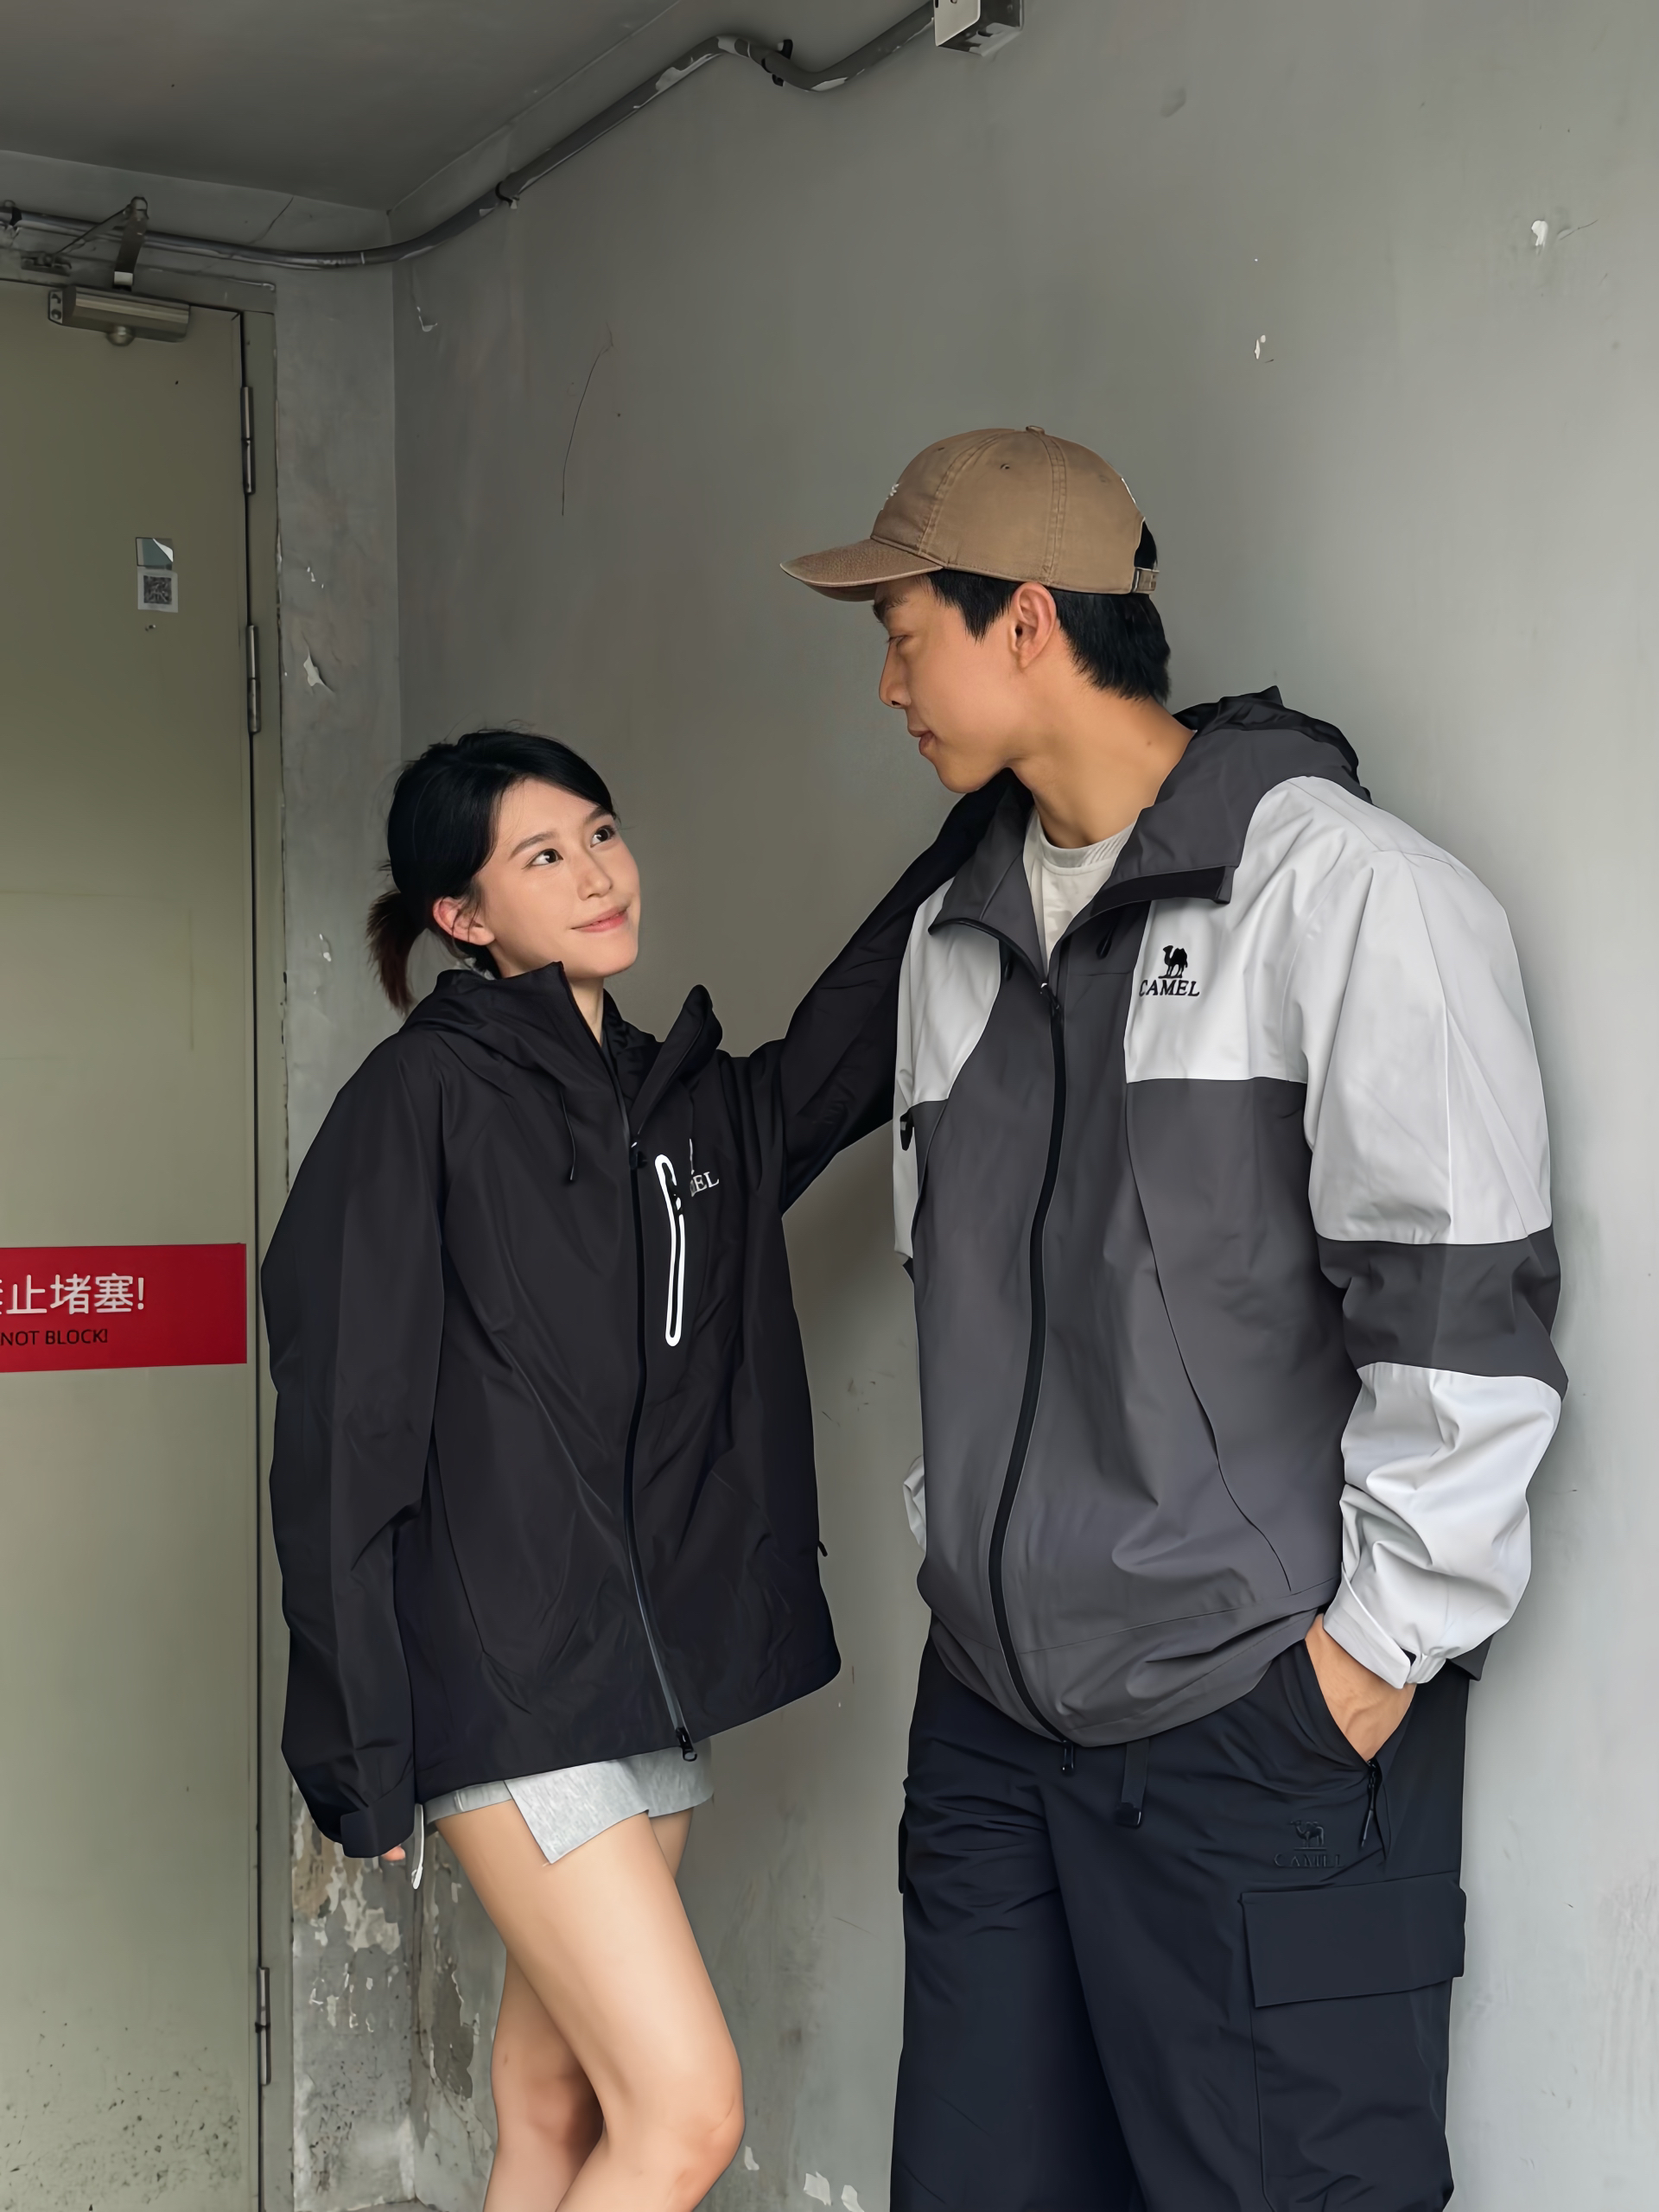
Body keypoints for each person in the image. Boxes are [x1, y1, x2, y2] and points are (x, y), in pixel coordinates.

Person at [784, 429, 1565, 2210]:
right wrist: (961, 1566)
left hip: (1252, 1725)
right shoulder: (955, 940)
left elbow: (1462, 1311)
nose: (888, 684)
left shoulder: (1346, 895)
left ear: (1028, 620)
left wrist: (1364, 1661)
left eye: (904, 635)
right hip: (996, 1728)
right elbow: (949, 1294)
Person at [263, 729, 998, 2212]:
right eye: (543, 856)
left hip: (644, 1682)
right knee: (685, 2113)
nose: (599, 874)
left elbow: (851, 1031)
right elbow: (346, 1430)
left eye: (601, 833)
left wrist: (1000, 807)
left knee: (554, 2102)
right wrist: (359, 1749)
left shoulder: (683, 1109)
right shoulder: (420, 1101)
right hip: (513, 1684)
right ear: (463, 916)